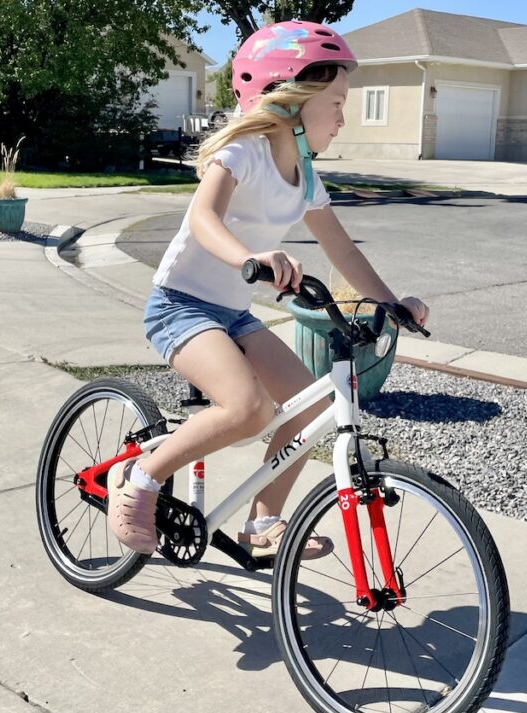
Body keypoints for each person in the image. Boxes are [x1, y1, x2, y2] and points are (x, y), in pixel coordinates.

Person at [108, 20, 429, 560]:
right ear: (292, 100)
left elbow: (344, 250)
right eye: (336, 102)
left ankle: (263, 525)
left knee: (310, 405)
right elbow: (204, 217)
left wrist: (391, 304)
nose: (343, 118)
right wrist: (251, 257)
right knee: (248, 409)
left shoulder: (306, 175)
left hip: (232, 315)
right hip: (180, 307)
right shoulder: (245, 151)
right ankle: (140, 477)